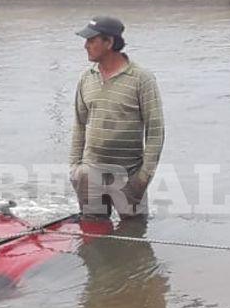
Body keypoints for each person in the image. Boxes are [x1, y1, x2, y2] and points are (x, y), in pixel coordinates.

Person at [69, 16, 165, 219]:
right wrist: (75, 169)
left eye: (91, 40)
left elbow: (155, 132)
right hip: (90, 176)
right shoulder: (86, 78)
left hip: (129, 177)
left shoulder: (142, 79)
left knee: (133, 239)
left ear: (109, 42)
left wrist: (142, 178)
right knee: (92, 240)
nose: (85, 46)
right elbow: (79, 124)